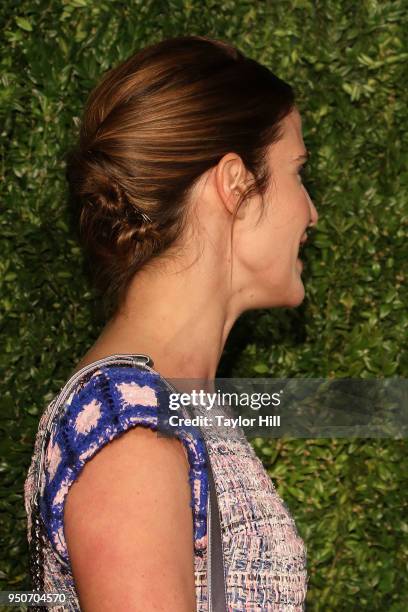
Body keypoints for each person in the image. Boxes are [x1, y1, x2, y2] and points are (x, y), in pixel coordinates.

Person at [24, 34, 318, 611]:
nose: (310, 210)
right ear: (236, 182)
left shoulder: (164, 411)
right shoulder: (130, 429)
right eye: (297, 171)